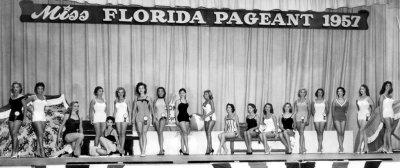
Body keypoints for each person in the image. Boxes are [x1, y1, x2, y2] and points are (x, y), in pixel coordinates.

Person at [25, 82, 48, 157]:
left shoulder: (44, 97)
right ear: (36, 89)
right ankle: (42, 152)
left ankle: (37, 151)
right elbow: (24, 104)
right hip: (35, 117)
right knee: (40, 133)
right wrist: (30, 109)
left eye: (42, 88)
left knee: (40, 135)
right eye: (38, 88)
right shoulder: (33, 97)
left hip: (43, 117)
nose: (40, 90)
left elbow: (44, 107)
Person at [132, 82, 153, 157]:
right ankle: (142, 151)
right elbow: (134, 110)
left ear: (145, 89)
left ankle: (144, 150)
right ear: (138, 89)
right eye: (139, 88)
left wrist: (153, 118)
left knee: (144, 132)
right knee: (140, 133)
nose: (141, 89)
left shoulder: (148, 98)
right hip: (138, 117)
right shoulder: (136, 98)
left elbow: (152, 109)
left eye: (142, 88)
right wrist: (132, 118)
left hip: (146, 117)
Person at [8, 82, 27, 158]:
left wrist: (24, 118)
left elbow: (25, 107)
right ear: (12, 88)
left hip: (19, 116)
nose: (15, 88)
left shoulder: (22, 97)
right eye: (14, 87)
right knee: (13, 135)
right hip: (11, 116)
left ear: (20, 88)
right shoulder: (11, 96)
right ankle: (18, 151)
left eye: (17, 87)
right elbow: (11, 107)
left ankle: (13, 152)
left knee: (14, 132)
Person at [356, 84, 374, 154]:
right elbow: (358, 107)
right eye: (360, 89)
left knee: (361, 129)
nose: (361, 90)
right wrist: (359, 112)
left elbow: (373, 106)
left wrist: (371, 115)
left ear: (366, 90)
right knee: (363, 131)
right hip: (360, 114)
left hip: (366, 114)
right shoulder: (358, 98)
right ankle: (366, 148)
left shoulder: (368, 98)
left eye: (363, 89)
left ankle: (359, 147)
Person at [113, 87, 132, 156]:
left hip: (125, 117)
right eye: (119, 92)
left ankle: (122, 148)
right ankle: (121, 149)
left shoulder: (126, 100)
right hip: (117, 118)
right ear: (117, 93)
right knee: (119, 133)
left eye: (122, 92)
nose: (120, 94)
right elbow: (115, 111)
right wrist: (113, 119)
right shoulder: (115, 100)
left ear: (124, 93)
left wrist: (130, 119)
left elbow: (129, 110)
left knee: (123, 133)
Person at [378, 81, 394, 153]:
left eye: (389, 85)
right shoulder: (382, 96)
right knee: (389, 130)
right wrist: (381, 117)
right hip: (385, 113)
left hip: (391, 113)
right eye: (387, 85)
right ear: (384, 86)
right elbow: (380, 107)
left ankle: (384, 147)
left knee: (387, 131)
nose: (388, 87)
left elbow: (392, 105)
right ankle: (390, 147)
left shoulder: (390, 96)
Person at [293, 88, 311, 154]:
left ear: (305, 93)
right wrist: (292, 119)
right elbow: (295, 111)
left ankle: (300, 148)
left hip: (304, 117)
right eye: (301, 92)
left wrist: (308, 119)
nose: (302, 93)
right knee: (301, 133)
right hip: (297, 117)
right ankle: (304, 147)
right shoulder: (296, 101)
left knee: (301, 131)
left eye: (303, 92)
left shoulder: (307, 101)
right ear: (299, 93)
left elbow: (309, 111)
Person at [332, 87, 349, 153]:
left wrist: (343, 113)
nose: (339, 92)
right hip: (336, 117)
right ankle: (341, 147)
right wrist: (333, 119)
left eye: (341, 91)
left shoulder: (346, 101)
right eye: (338, 91)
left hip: (343, 116)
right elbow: (333, 111)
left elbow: (346, 109)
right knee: (339, 131)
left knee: (342, 132)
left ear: (343, 92)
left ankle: (340, 146)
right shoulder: (335, 100)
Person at [311, 88, 328, 153]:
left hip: (323, 117)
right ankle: (320, 145)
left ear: (322, 93)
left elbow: (327, 110)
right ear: (317, 93)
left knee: (321, 132)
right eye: (318, 92)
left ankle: (319, 147)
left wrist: (324, 116)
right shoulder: (313, 101)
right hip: (316, 117)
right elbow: (312, 110)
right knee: (318, 132)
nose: (320, 93)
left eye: (321, 92)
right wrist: (315, 115)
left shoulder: (325, 101)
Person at [153, 87, 168, 155]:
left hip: (163, 117)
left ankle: (161, 150)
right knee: (159, 133)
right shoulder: (155, 100)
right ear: (157, 92)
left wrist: (167, 118)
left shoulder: (165, 100)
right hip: (156, 117)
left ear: (164, 92)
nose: (160, 92)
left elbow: (168, 109)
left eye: (162, 91)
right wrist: (154, 118)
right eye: (159, 91)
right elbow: (153, 110)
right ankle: (161, 148)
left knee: (160, 132)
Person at [175, 88, 190, 155]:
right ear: (179, 94)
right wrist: (176, 120)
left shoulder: (187, 100)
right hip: (180, 117)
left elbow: (187, 110)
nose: (182, 94)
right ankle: (187, 149)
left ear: (185, 93)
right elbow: (176, 111)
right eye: (180, 93)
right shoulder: (177, 101)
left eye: (183, 93)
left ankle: (182, 149)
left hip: (186, 117)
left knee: (183, 133)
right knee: (185, 132)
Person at [202, 90, 216, 155]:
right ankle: (211, 148)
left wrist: (206, 115)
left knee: (208, 132)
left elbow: (213, 110)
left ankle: (208, 149)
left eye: (206, 94)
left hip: (212, 117)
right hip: (206, 119)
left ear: (209, 94)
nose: (205, 95)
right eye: (204, 94)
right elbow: (204, 113)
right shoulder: (204, 103)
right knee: (207, 133)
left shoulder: (211, 101)